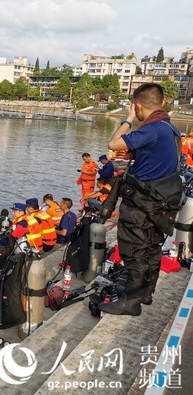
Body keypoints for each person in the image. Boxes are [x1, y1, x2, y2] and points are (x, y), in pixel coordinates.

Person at [100, 83, 184, 316]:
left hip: (143, 203)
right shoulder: (169, 127)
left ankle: (130, 302)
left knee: (135, 250)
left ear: (137, 106)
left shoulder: (152, 129)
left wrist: (127, 120)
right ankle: (145, 293)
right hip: (163, 200)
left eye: (133, 108)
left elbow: (114, 144)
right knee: (151, 247)